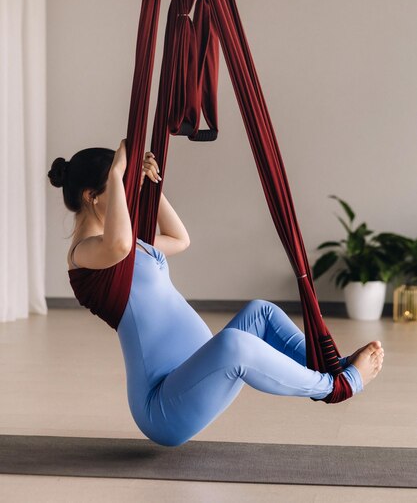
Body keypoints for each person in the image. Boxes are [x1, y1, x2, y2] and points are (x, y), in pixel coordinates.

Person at [48, 139, 384, 447]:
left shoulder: (128, 242)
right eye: (121, 186)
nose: (129, 192)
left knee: (260, 312)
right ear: (92, 196)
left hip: (194, 373)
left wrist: (150, 184)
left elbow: (179, 239)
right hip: (163, 405)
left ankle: (333, 367)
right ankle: (335, 388)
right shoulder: (84, 254)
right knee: (234, 344)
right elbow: (117, 244)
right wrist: (120, 168)